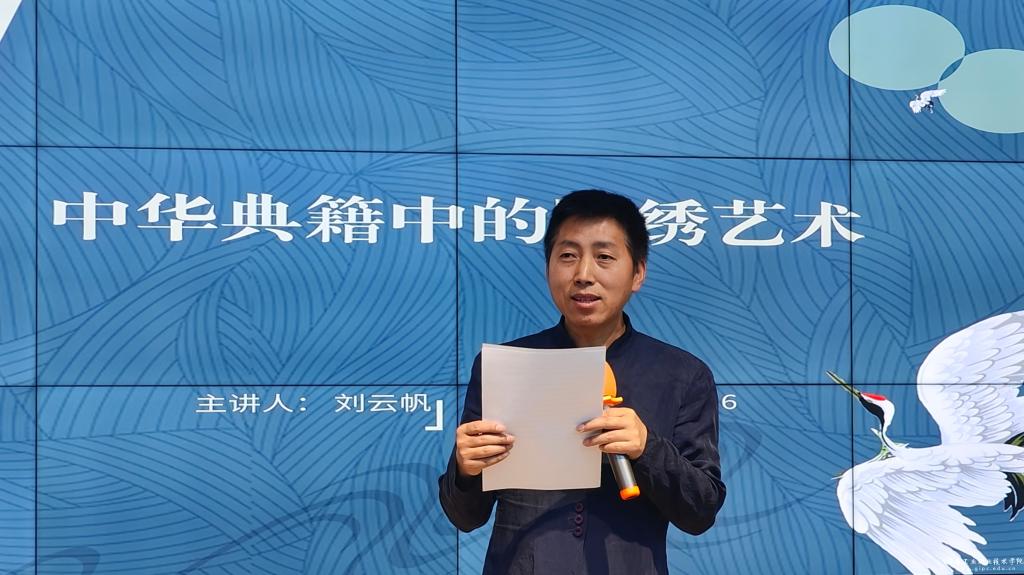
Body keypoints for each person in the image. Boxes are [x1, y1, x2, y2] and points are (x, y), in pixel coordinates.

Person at [438, 189, 725, 574]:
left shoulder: (682, 374)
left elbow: (701, 510)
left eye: (604, 257)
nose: (584, 275)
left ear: (637, 273)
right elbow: (464, 516)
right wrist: (466, 469)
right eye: (568, 256)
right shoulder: (505, 366)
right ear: (548, 268)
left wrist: (647, 448)